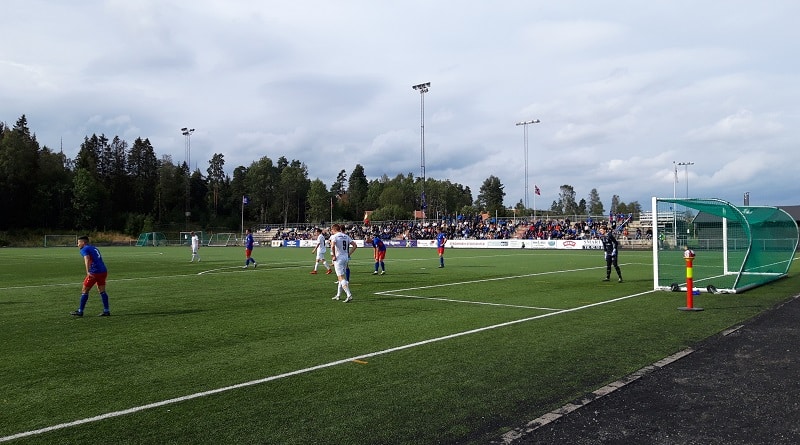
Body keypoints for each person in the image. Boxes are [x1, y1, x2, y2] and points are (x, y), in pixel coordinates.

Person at [71, 235, 111, 317]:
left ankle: (80, 311)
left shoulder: (84, 249)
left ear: (83, 242)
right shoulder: (94, 248)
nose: (77, 244)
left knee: (84, 290)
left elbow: (87, 259)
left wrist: (88, 271)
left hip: (94, 272)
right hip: (103, 271)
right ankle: (106, 311)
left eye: (78, 242)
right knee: (102, 291)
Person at [329, 223, 357, 303]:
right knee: (341, 277)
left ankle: (349, 295)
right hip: (345, 258)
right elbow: (355, 245)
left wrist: (333, 256)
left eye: (332, 230)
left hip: (339, 258)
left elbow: (332, 246)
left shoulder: (335, 236)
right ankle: (338, 295)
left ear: (334, 229)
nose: (331, 231)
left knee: (341, 278)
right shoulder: (345, 236)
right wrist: (349, 254)